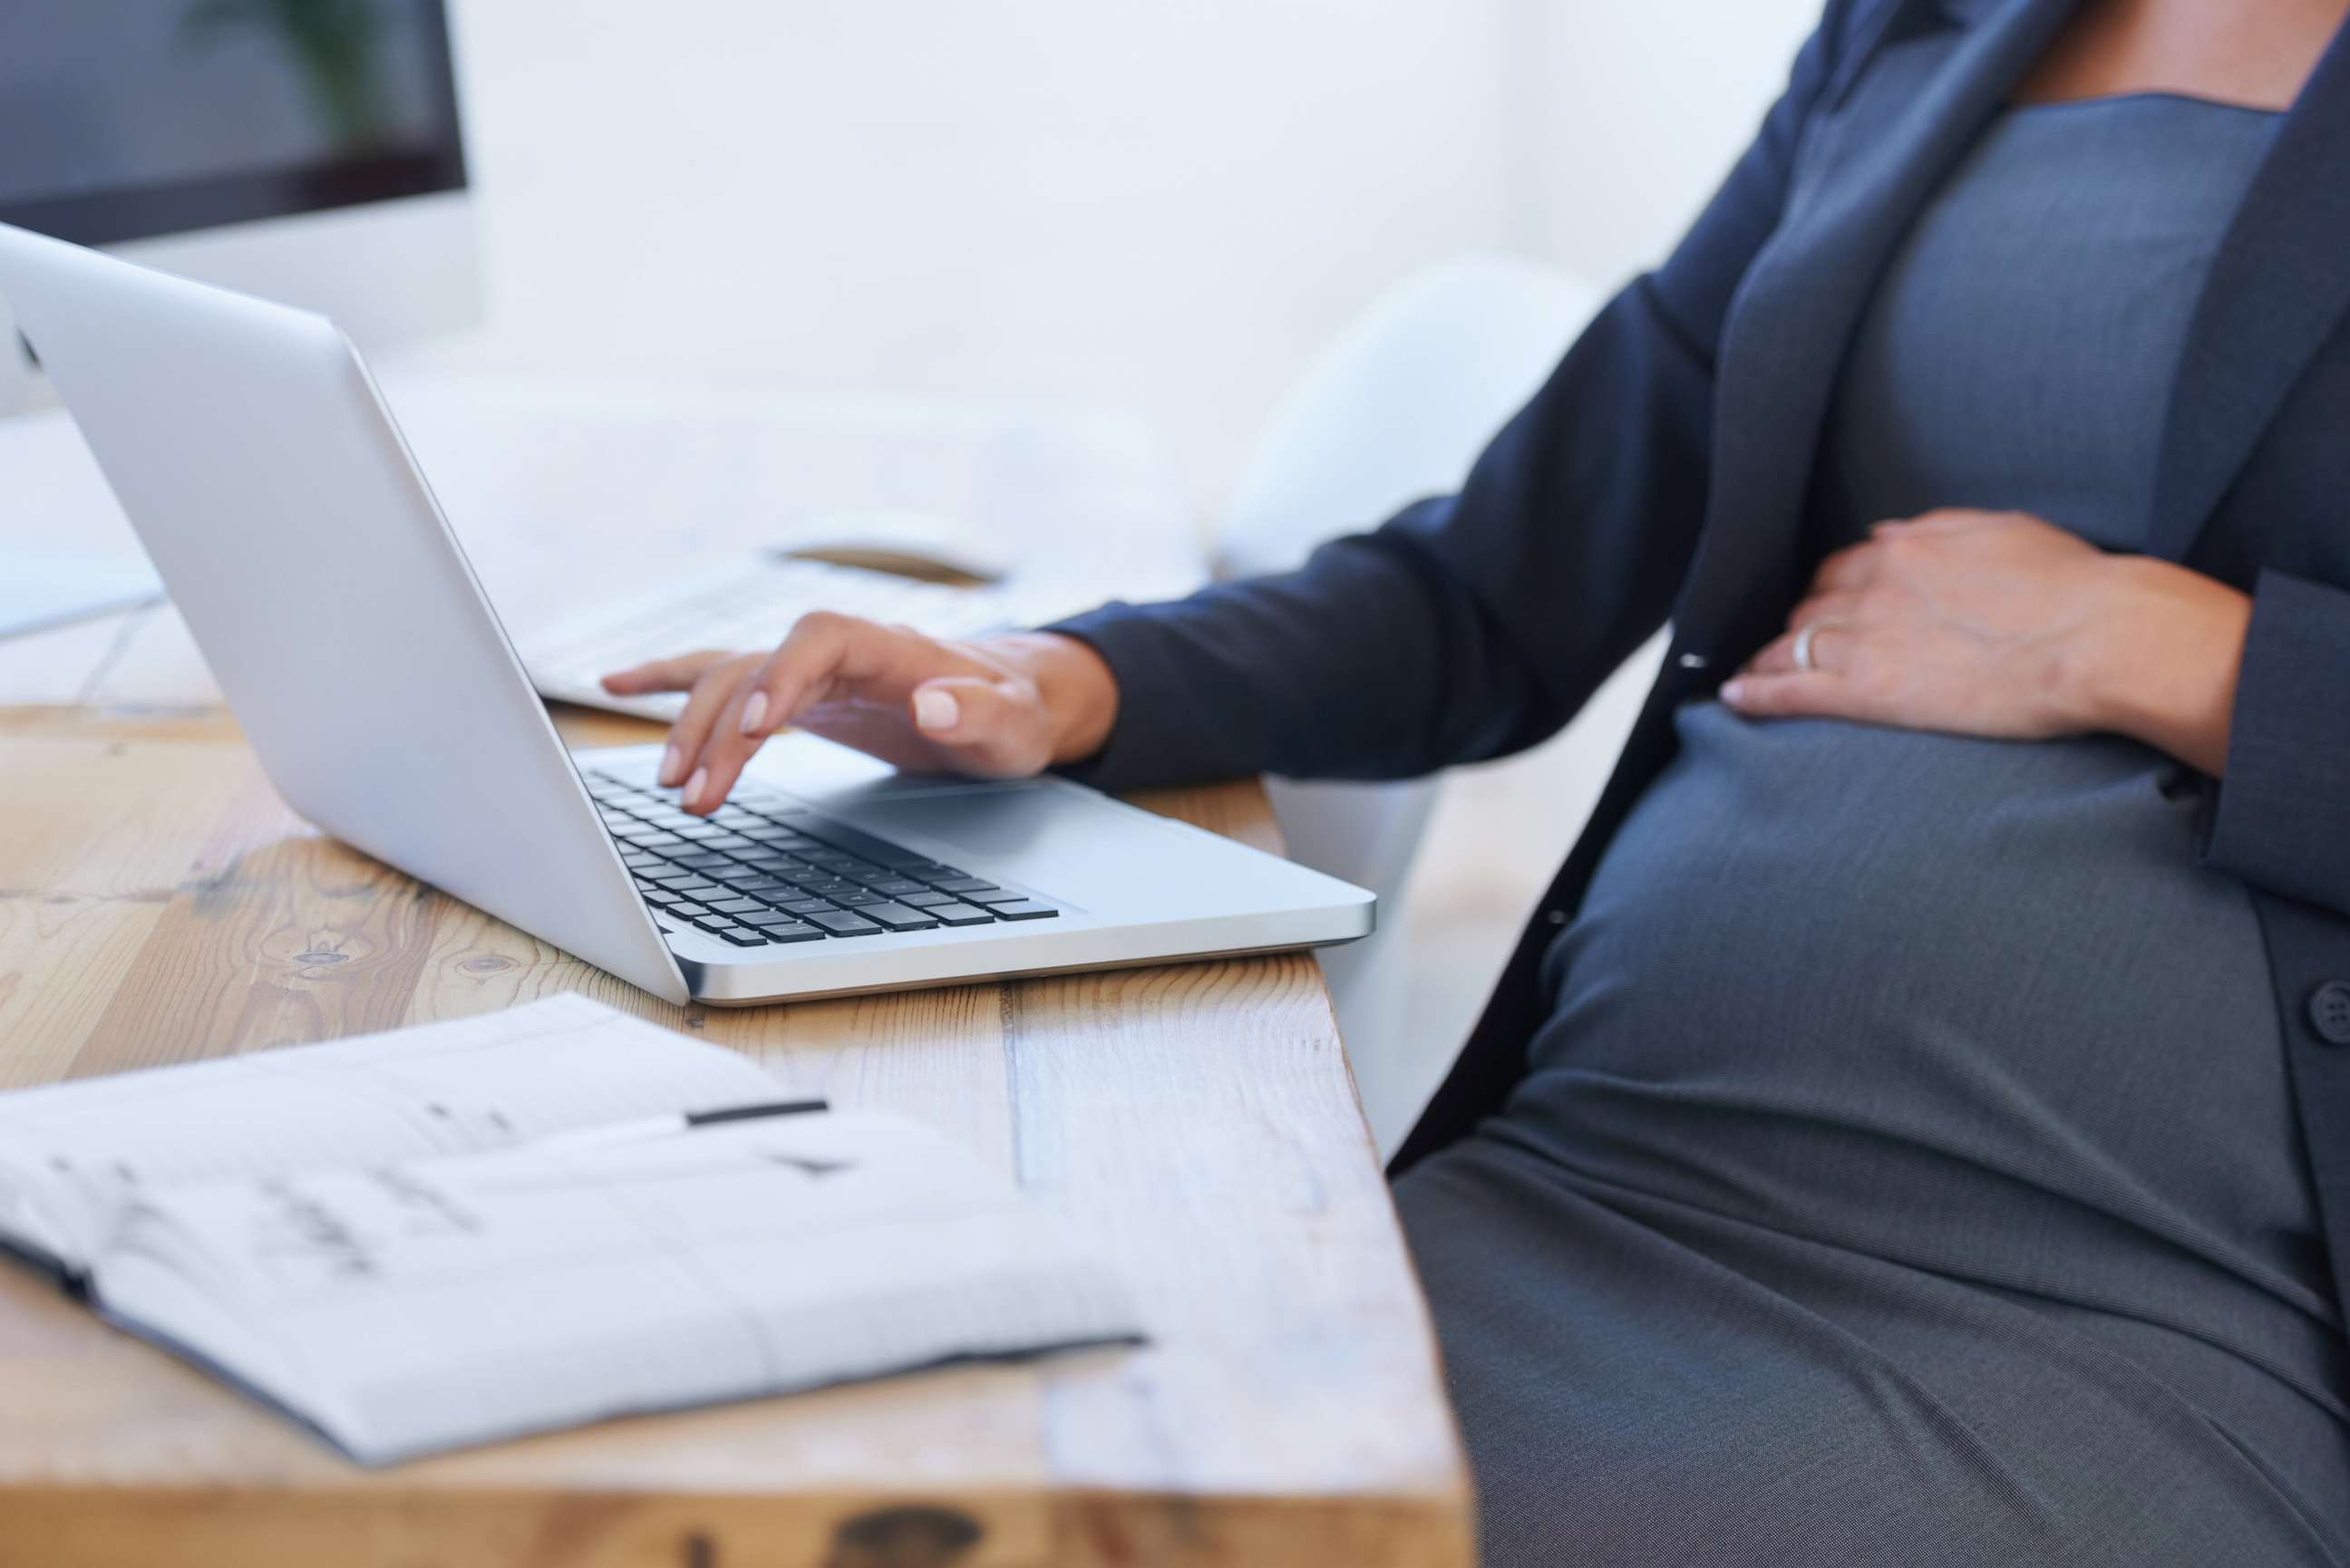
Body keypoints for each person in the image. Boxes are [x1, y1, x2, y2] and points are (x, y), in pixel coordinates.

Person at [606, 0, 2350, 1560]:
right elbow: (1501, 587)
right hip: (1605, 1163)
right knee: (955, 1470)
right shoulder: (1916, 32)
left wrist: (2160, 649)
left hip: (2110, 1292)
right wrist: (1057, 682)